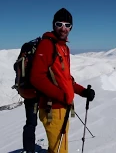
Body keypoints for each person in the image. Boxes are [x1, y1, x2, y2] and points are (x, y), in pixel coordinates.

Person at [29, 8, 95, 153]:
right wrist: (62, 96)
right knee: (59, 150)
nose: (63, 28)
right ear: (53, 25)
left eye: (67, 25)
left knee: (60, 147)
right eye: (59, 24)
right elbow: (36, 78)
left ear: (71, 27)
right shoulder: (47, 45)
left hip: (63, 108)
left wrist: (83, 91)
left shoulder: (63, 47)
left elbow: (66, 79)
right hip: (52, 109)